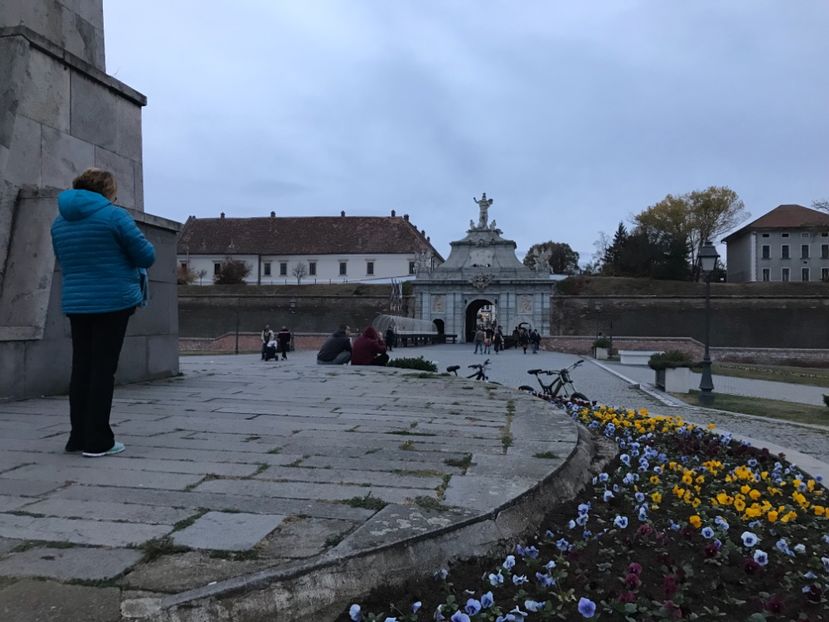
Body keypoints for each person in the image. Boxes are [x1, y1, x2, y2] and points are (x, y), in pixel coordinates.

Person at [51, 168, 155, 458]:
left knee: (82, 367)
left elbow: (64, 259)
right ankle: (98, 440)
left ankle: (78, 436)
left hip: (76, 302)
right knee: (102, 370)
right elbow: (146, 255)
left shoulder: (60, 221)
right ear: (107, 190)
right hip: (113, 301)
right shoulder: (115, 216)